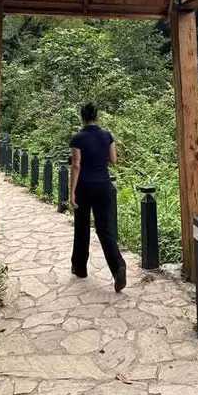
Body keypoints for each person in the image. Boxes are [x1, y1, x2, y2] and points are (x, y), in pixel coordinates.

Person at [69, 102, 127, 292]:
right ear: (97, 116)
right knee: (105, 229)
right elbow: (114, 160)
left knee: (82, 227)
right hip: (104, 186)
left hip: (84, 187)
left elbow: (76, 165)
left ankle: (80, 268)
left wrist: (72, 192)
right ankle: (118, 267)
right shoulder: (107, 136)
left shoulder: (77, 138)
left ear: (82, 117)